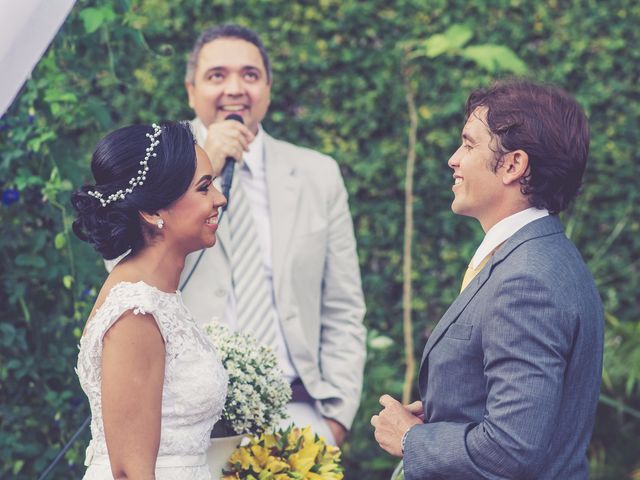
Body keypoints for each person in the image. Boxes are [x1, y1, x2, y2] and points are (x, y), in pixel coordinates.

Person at [371, 80, 604, 479]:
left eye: (469, 144)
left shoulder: (528, 282)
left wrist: (411, 439)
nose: (453, 159)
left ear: (513, 165)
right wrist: (447, 405)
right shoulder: (539, 255)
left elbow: (512, 449)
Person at [180, 24, 366, 445]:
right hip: (186, 422)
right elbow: (129, 272)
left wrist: (335, 420)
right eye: (216, 76)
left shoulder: (318, 174)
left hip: (297, 416)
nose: (235, 88)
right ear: (191, 91)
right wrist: (203, 164)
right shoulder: (156, 167)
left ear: (267, 87)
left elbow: (343, 304)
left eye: (250, 75)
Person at [72, 121, 228, 479]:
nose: (219, 198)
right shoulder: (136, 311)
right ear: (154, 212)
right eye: (204, 187)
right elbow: (129, 472)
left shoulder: (161, 295)